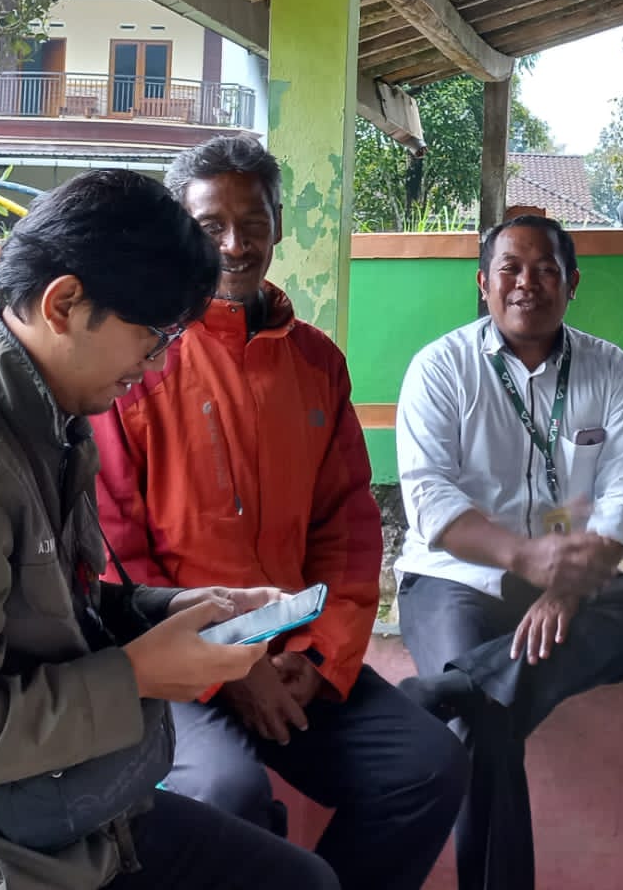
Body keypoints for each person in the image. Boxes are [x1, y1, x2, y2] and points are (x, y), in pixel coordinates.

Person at [0, 168, 339, 890]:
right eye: (151, 333)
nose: (156, 363)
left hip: (36, 799)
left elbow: (41, 608)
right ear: (65, 302)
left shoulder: (42, 410)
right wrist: (138, 673)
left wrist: (180, 611)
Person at [93, 135, 465, 890]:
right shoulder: (137, 355)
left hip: (294, 656)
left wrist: (319, 657)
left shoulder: (316, 361)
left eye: (253, 221)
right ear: (178, 229)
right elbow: (113, 542)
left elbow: (348, 526)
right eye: (210, 225)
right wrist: (224, 668)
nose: (235, 244)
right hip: (173, 664)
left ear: (279, 224)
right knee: (224, 795)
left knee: (425, 766)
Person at [393, 214, 623, 890]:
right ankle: (473, 695)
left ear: (571, 283)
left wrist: (564, 586)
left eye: (545, 269)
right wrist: (523, 558)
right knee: (484, 732)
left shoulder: (609, 369)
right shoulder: (440, 368)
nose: (527, 284)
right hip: (451, 578)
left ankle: (456, 684)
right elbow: (429, 498)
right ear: (483, 283)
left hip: (566, 578)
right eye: (510, 269)